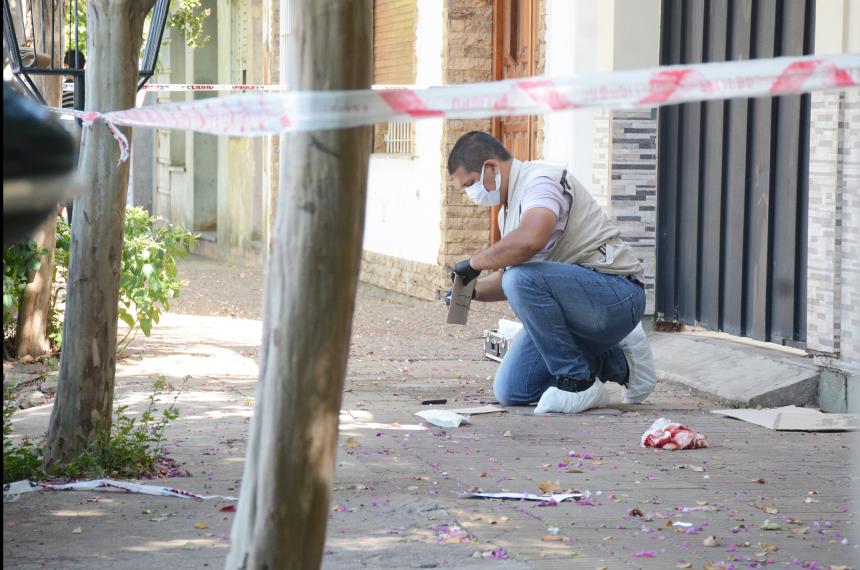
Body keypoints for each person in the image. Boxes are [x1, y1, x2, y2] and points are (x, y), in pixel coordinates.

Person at [447, 131, 656, 414]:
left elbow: (531, 239)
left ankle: (578, 383)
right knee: (512, 390)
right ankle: (619, 362)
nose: (471, 194)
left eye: (471, 184)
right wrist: (467, 292)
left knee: (520, 279)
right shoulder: (506, 213)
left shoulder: (540, 182)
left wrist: (474, 263)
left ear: (491, 167)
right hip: (576, 311)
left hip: (617, 295)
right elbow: (508, 281)